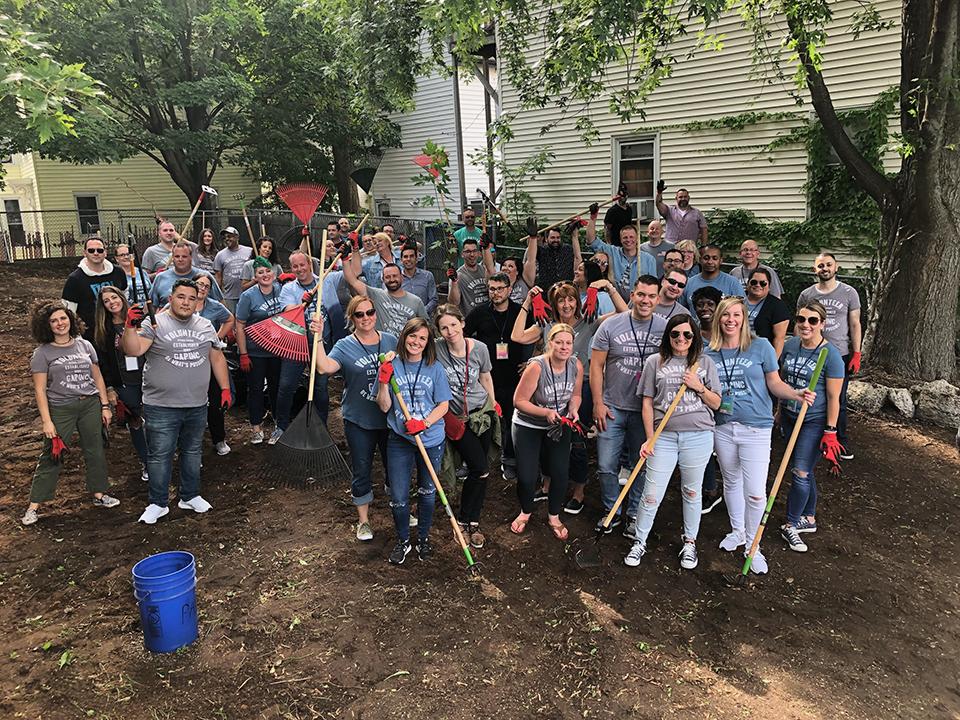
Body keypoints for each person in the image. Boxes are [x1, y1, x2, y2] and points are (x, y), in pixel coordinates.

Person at [705, 297, 816, 574]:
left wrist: (795, 394)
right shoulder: (709, 352)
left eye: (736, 315)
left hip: (756, 427)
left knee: (755, 494)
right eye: (725, 315)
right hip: (724, 426)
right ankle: (738, 531)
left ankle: (754, 547)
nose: (731, 320)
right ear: (718, 319)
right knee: (731, 480)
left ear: (744, 319)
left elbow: (775, 383)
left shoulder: (761, 347)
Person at [123, 279, 232, 524]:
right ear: (170, 298)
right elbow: (134, 350)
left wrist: (224, 388)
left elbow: (216, 357)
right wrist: (130, 327)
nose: (186, 302)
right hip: (161, 405)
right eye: (181, 297)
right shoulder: (156, 323)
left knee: (193, 451)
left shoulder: (205, 325)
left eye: (191, 298)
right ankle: (157, 502)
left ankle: (190, 495)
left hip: (196, 403)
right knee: (160, 455)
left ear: (198, 301)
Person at [623, 314, 721, 570]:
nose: (681, 339)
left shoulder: (704, 363)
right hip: (663, 437)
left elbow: (717, 403)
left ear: (694, 337)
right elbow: (646, 401)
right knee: (652, 494)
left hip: (698, 436)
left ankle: (690, 542)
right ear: (668, 336)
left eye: (687, 335)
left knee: (691, 491)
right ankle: (640, 541)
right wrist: (649, 437)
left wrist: (698, 387)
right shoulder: (655, 362)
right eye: (675, 334)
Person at [22, 301, 119, 526]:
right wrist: (47, 421)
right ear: (46, 325)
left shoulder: (85, 345)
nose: (60, 323)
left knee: (95, 450)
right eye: (54, 321)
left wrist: (104, 405)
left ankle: (99, 494)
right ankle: (34, 506)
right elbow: (39, 389)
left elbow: (97, 377)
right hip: (61, 408)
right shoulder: (42, 353)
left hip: (89, 405)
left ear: (71, 320)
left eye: (63, 318)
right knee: (53, 454)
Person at [310, 296, 398, 541]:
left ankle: (399, 510)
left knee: (396, 468)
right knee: (362, 468)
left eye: (370, 312)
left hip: (390, 418)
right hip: (359, 418)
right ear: (352, 318)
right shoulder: (345, 345)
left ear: (375, 314)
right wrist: (318, 337)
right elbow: (324, 367)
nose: (366, 318)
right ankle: (364, 521)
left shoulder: (390, 340)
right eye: (359, 314)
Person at [590, 276, 667, 536]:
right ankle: (612, 509)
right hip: (613, 406)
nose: (645, 300)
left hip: (645, 410)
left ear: (658, 299)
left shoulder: (666, 329)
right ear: (632, 295)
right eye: (641, 294)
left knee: (640, 464)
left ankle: (634, 512)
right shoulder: (611, 325)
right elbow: (596, 366)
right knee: (605, 464)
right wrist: (598, 403)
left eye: (651, 296)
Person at [375, 318, 452, 564]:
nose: (416, 342)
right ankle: (403, 541)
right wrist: (384, 383)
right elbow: (384, 406)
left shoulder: (435, 368)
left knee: (428, 491)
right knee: (398, 495)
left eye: (422, 338)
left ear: (427, 343)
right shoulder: (391, 364)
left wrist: (425, 423)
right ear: (404, 336)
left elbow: (443, 405)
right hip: (400, 438)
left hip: (430, 439)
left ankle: (424, 539)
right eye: (412, 336)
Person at [778, 301, 845, 553]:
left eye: (812, 320)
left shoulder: (831, 355)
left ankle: (792, 524)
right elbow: (783, 381)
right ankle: (809, 517)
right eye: (801, 319)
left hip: (814, 420)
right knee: (804, 468)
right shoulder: (790, 345)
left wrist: (830, 430)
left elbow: (833, 397)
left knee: (800, 472)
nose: (806, 325)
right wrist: (778, 411)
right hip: (789, 415)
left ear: (822, 324)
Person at [510, 324, 583, 540]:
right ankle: (525, 511)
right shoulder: (537, 367)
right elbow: (518, 401)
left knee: (560, 472)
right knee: (527, 475)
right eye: (559, 342)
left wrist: (574, 409)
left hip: (558, 424)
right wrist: (545, 412)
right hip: (528, 425)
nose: (564, 347)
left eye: (568, 342)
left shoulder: (575, 365)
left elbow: (576, 395)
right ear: (549, 343)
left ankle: (554, 516)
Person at [435, 304, 499, 548]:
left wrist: (493, 408)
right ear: (439, 331)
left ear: (462, 323)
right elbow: (413, 347)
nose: (450, 331)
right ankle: (463, 520)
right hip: (455, 420)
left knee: (480, 472)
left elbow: (485, 377)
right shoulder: (437, 349)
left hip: (480, 414)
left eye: (453, 324)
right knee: (479, 468)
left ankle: (473, 521)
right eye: (443, 327)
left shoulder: (479, 348)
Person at [465, 272, 530, 480]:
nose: (496, 293)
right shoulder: (479, 313)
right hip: (487, 376)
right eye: (492, 289)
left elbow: (536, 336)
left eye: (500, 288)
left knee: (512, 418)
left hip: (514, 375)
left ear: (509, 289)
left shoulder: (520, 312)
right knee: (481, 417)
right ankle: (474, 459)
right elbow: (464, 337)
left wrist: (531, 360)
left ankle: (509, 459)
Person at [797, 252, 861, 459]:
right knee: (808, 395)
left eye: (828, 265)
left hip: (839, 353)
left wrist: (856, 353)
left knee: (837, 398)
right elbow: (800, 324)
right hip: (812, 353)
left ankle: (838, 440)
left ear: (836, 267)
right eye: (820, 266)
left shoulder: (849, 292)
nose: (824, 268)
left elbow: (854, 323)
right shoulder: (806, 295)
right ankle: (804, 435)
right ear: (814, 270)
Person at [275, 250, 330, 444]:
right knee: (286, 386)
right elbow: (287, 311)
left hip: (320, 342)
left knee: (321, 388)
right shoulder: (288, 289)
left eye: (302, 265)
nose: (299, 269)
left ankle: (321, 428)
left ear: (310, 264)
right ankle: (281, 426)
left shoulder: (325, 281)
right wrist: (302, 303)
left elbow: (353, 272)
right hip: (296, 341)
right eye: (295, 266)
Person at [93, 286, 148, 480]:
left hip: (148, 377)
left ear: (121, 298)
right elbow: (103, 362)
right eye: (106, 301)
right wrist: (109, 388)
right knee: (136, 421)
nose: (111, 302)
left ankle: (161, 455)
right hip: (124, 382)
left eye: (114, 297)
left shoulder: (139, 319)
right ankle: (146, 461)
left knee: (155, 419)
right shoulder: (104, 330)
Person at [236, 257, 284, 446]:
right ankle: (256, 428)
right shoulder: (248, 296)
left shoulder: (282, 290)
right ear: (255, 276)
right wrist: (243, 353)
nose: (265, 275)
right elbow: (239, 325)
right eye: (260, 273)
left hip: (278, 350)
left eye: (267, 271)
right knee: (255, 389)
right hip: (256, 351)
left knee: (277, 388)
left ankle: (279, 425)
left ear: (273, 272)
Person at [193, 274, 234, 455]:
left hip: (210, 360)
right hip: (186, 363)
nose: (202, 287)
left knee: (215, 402)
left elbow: (230, 319)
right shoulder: (182, 303)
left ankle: (219, 439)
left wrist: (218, 336)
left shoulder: (214, 307)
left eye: (206, 286)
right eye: (199, 284)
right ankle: (191, 443)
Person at [344, 248, 427, 336]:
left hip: (405, 347)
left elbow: (425, 327)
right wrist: (345, 258)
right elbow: (353, 280)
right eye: (387, 277)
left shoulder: (416, 301)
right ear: (383, 280)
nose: (392, 279)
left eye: (395, 276)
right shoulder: (376, 295)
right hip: (380, 346)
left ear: (402, 277)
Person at [62, 235, 128, 339]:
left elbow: (125, 299)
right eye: (91, 250)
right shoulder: (75, 279)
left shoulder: (118, 272)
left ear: (105, 252)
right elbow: (69, 311)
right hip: (91, 335)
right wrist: (76, 337)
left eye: (100, 250)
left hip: (119, 331)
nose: (96, 253)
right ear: (84, 253)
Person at [586, 206, 656, 299]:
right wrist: (593, 218)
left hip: (638, 303)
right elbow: (592, 241)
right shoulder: (612, 252)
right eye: (625, 237)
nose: (628, 240)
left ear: (637, 239)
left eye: (631, 237)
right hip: (615, 303)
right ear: (620, 239)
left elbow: (653, 286)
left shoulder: (649, 259)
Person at [150, 241, 222, 307]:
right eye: (177, 256)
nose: (180, 259)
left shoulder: (205, 277)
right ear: (172, 258)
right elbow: (152, 306)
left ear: (191, 257)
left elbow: (221, 304)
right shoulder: (160, 278)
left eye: (184, 256)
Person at [745, 268, 790, 356]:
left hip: (760, 354)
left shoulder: (777, 306)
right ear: (748, 283)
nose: (758, 285)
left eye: (763, 283)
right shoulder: (738, 300)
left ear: (769, 287)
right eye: (754, 282)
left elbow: (779, 339)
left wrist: (772, 363)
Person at [527, 223, 579, 290]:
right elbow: (531, 256)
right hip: (547, 291)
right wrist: (532, 237)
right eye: (552, 237)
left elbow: (577, 257)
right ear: (546, 239)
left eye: (558, 237)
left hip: (566, 289)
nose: (556, 240)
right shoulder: (541, 251)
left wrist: (574, 234)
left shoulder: (568, 249)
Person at [213, 227, 253, 312]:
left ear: (237, 237)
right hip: (229, 297)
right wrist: (219, 297)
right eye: (225, 237)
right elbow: (218, 278)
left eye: (229, 236)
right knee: (231, 321)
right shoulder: (220, 255)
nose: (227, 239)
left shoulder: (249, 251)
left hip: (248, 294)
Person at [448, 238, 490, 317]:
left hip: (487, 318)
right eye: (468, 252)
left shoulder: (484, 270)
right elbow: (454, 303)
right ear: (462, 254)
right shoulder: (458, 275)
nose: (472, 255)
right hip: (470, 320)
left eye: (474, 251)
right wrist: (454, 282)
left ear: (478, 253)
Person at [399, 243, 437, 316]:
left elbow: (434, 299)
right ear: (401, 260)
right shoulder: (397, 278)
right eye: (405, 257)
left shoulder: (427, 276)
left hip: (423, 318)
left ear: (416, 259)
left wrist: (422, 311)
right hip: (403, 319)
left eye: (411, 256)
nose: (408, 259)